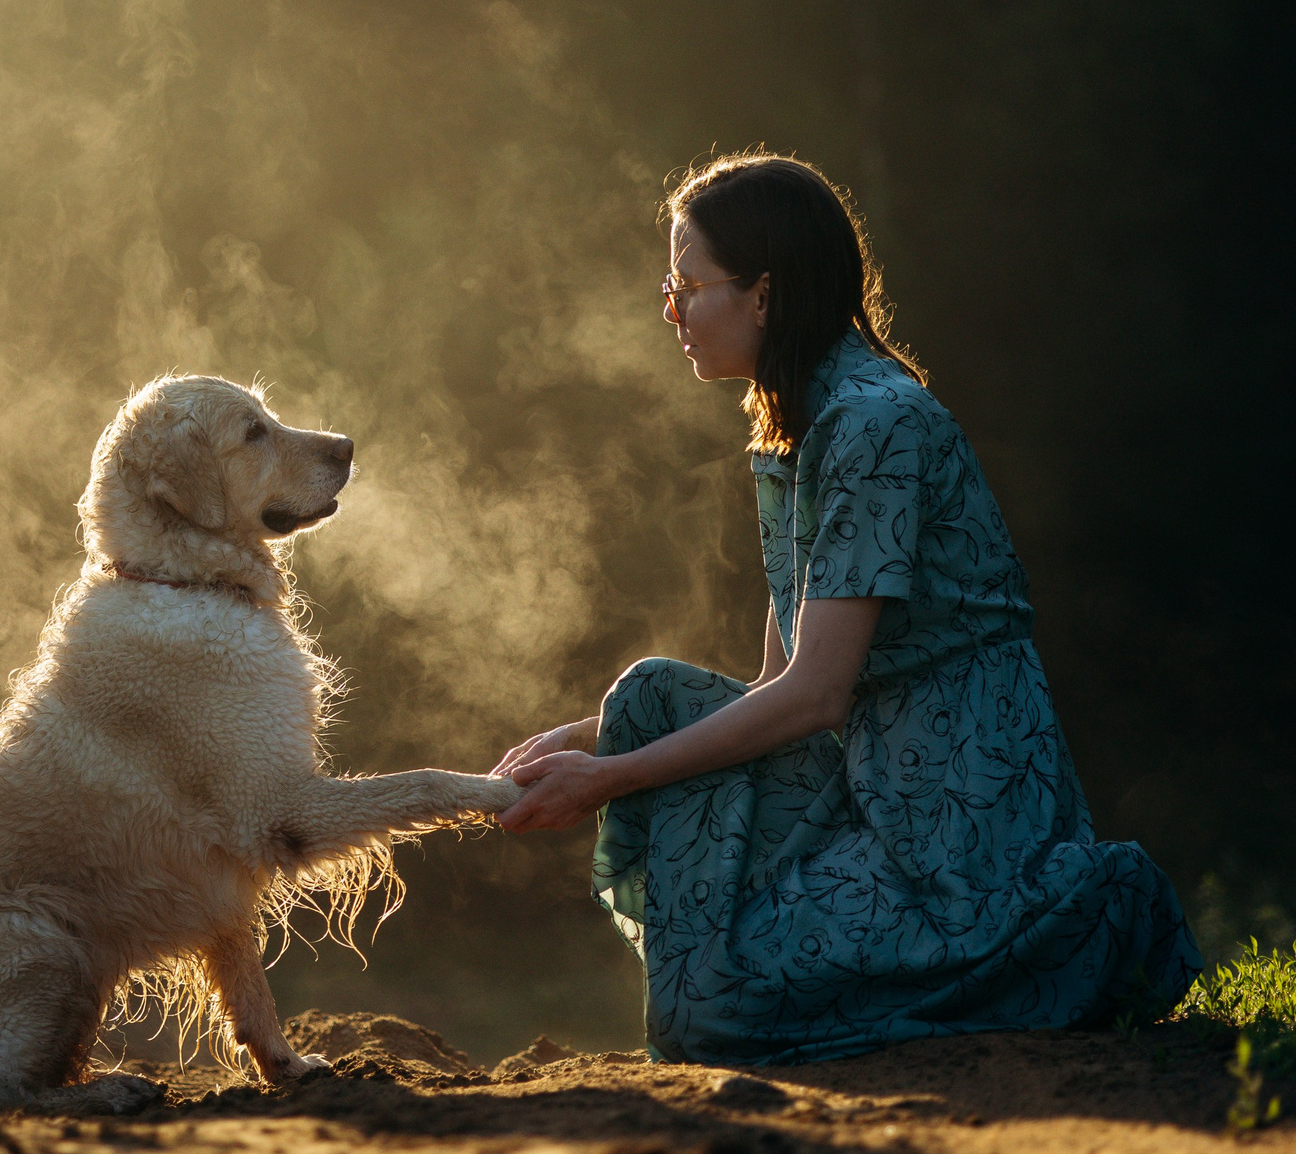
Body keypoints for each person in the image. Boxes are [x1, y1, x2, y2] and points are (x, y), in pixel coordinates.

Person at [492, 152, 1201, 1065]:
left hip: (958, 832)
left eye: (686, 283)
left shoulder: (876, 424)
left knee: (715, 1008)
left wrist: (611, 779)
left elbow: (818, 695)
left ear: (763, 294)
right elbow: (775, 683)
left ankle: (1063, 924)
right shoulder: (800, 423)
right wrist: (593, 741)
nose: (670, 308)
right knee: (649, 698)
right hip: (868, 791)